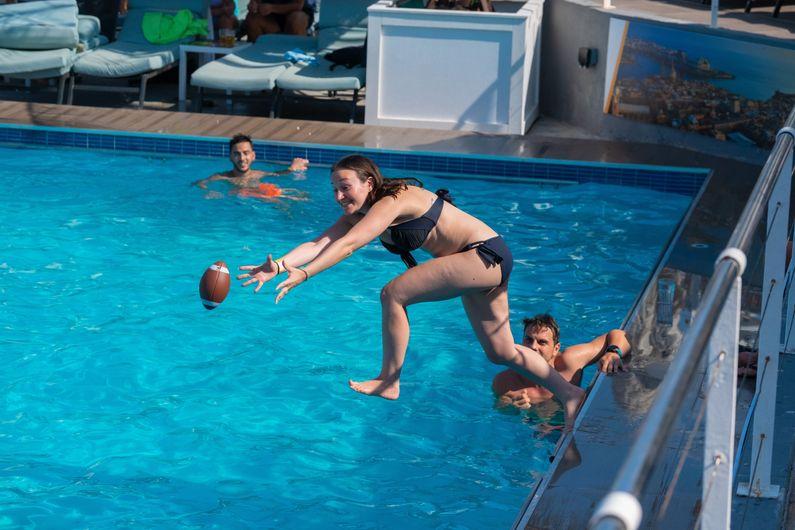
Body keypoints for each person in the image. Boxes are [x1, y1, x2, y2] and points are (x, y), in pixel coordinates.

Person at [237, 154, 586, 428]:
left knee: (394, 294)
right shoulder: (359, 213)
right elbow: (322, 241)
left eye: (345, 187)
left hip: (483, 254)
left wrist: (306, 274)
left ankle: (390, 379)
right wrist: (280, 265)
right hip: (483, 262)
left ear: (369, 182)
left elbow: (350, 245)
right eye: (334, 189)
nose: (338, 196)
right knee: (501, 352)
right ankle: (571, 394)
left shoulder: (391, 201)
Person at [492, 314, 631, 410]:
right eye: (528, 340)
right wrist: (508, 405)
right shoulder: (505, 382)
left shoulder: (570, 361)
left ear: (555, 348)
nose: (533, 347)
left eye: (542, 342)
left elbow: (620, 334)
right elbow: (500, 412)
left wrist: (613, 352)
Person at [193, 134, 309, 201]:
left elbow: (278, 174)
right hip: (239, 198)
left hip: (256, 196)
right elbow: (199, 183)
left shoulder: (259, 174)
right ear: (230, 157)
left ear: (253, 156)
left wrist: (292, 168)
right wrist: (209, 191)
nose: (242, 158)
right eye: (237, 154)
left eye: (246, 153)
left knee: (296, 197)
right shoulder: (222, 177)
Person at [244, 0, 315, 42]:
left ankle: (299, 51)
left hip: (296, 17)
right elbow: (254, 2)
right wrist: (252, 6)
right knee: (252, 17)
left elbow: (298, 5)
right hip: (273, 22)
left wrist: (272, 8)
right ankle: (257, 52)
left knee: (298, 18)